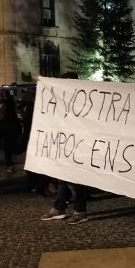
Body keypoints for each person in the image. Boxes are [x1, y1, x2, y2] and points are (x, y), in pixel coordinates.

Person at [40, 71, 90, 225]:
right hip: (64, 145)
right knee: (62, 178)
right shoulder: (61, 100)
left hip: (78, 146)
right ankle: (59, 208)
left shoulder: (83, 100)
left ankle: (80, 211)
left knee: (77, 181)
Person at [0, 90, 19, 174]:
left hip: (5, 129)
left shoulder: (6, 105)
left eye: (0, 95)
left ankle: (9, 165)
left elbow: (9, 116)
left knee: (6, 147)